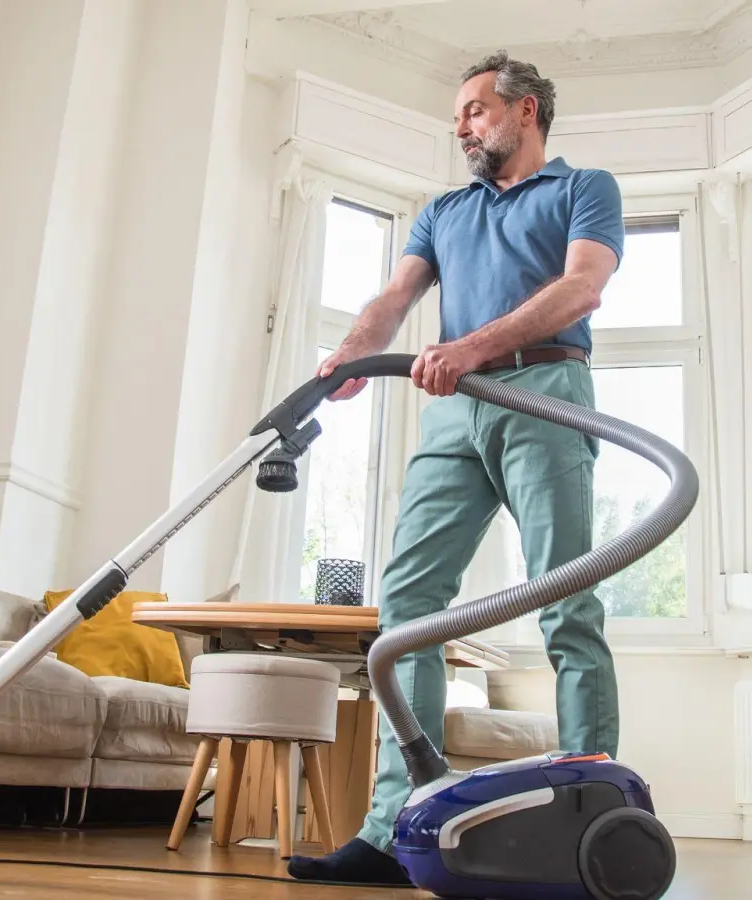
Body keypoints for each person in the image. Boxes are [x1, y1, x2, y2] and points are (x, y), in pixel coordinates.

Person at [286, 51, 626, 886]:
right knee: (406, 615)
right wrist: (351, 356)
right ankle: (397, 826)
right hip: (456, 406)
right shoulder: (444, 210)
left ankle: (596, 820)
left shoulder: (584, 188)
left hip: (548, 388)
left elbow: (583, 288)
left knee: (565, 605)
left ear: (527, 112)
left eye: (475, 109)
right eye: (458, 115)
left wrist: (470, 345)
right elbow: (394, 300)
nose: (461, 125)